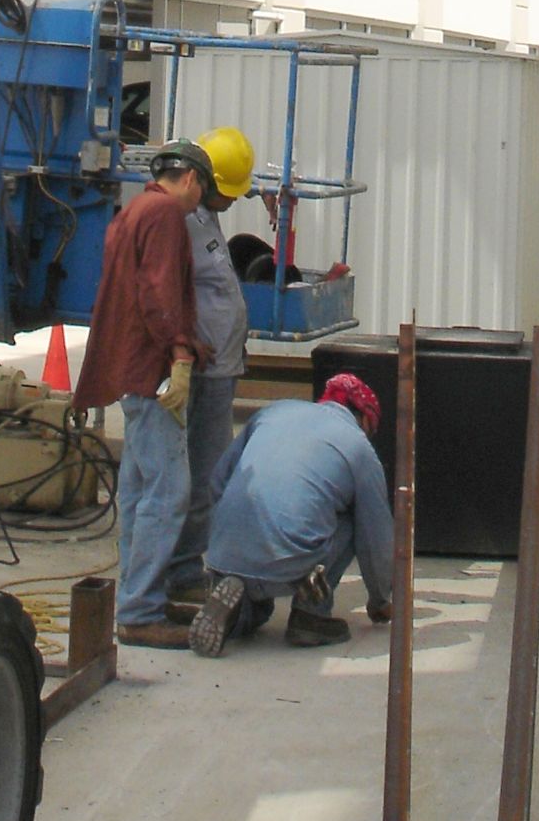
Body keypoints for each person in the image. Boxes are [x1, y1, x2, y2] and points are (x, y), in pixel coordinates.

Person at [72, 143, 206, 649]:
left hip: (130, 369)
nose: (200, 203)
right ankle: (140, 610)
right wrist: (180, 353)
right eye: (203, 191)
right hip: (152, 372)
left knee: (138, 490)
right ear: (190, 179)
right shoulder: (166, 214)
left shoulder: (133, 211)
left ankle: (136, 596)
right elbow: (159, 292)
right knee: (169, 491)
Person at [190, 372, 394, 655]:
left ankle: (238, 608)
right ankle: (310, 614)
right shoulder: (359, 447)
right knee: (354, 518)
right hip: (290, 561)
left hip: (225, 551)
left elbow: (218, 481)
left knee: (258, 612)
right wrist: (380, 599)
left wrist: (225, 540)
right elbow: (376, 537)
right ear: (365, 420)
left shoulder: (274, 412)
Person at [165, 127, 256, 622]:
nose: (234, 200)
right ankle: (180, 572)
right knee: (198, 476)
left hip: (219, 365)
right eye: (231, 192)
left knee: (208, 471)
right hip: (200, 370)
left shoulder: (206, 213)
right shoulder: (179, 221)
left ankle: (183, 566)